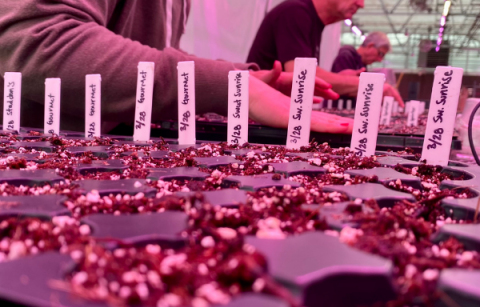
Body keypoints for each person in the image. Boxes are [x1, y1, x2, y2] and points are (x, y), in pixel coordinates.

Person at [0, 0, 352, 135]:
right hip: (34, 175)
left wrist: (246, 78)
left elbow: (148, 52)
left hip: (102, 162)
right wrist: (230, 88)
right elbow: (37, 40)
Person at [247, 0, 404, 107]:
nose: (361, 4)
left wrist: (342, 79)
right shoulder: (295, 13)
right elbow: (302, 76)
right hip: (256, 117)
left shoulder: (311, 20)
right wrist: (369, 86)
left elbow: (306, 76)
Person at [331, 31, 392, 106]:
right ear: (370, 45)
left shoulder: (362, 64)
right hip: (335, 109)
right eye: (381, 54)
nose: (380, 59)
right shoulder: (346, 56)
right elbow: (339, 87)